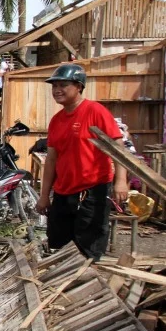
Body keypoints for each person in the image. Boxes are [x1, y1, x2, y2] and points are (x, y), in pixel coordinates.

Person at [36, 64, 129, 261]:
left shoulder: (95, 111)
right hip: (64, 191)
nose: (57, 90)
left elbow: (118, 148)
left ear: (79, 86)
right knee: (59, 243)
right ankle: (61, 284)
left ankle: (86, 284)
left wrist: (121, 181)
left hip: (92, 190)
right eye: (54, 86)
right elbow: (52, 160)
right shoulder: (57, 120)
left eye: (63, 85)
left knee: (88, 245)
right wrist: (44, 195)